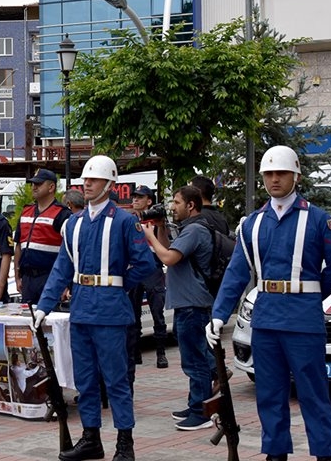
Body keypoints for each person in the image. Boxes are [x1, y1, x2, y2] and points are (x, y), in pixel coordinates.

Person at [207, 145, 331, 461]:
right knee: (269, 395)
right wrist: (219, 314)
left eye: (281, 173)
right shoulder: (253, 224)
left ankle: (324, 454)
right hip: (267, 320)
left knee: (314, 394)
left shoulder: (318, 220)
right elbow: (236, 273)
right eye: (269, 173)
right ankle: (275, 454)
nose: (274, 179)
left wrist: (309, 294)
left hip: (303, 321)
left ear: (296, 176)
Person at [32, 155, 155, 461]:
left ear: (110, 185)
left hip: (111, 311)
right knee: (85, 379)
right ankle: (91, 438)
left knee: (116, 380)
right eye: (85, 180)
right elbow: (62, 267)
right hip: (82, 308)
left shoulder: (125, 221)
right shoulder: (72, 224)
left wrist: (118, 285)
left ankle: (125, 441)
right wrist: (44, 306)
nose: (86, 184)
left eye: (94, 180)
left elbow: (144, 263)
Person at [143, 186, 214, 431]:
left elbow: (168, 258)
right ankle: (196, 403)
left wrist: (149, 235)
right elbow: (170, 249)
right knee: (194, 358)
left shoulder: (194, 230)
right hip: (189, 304)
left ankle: (201, 411)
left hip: (193, 305)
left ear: (190, 205)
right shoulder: (190, 229)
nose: (173, 207)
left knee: (195, 361)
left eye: (176, 202)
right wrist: (161, 228)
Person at [14, 168, 72, 305]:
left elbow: (70, 251)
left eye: (39, 184)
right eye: (33, 184)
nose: (34, 187)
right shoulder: (26, 211)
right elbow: (18, 246)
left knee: (50, 322)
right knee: (28, 322)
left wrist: (66, 283)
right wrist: (17, 276)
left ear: (51, 187)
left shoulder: (63, 214)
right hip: (28, 279)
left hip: (51, 277)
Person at [127, 185, 168, 369]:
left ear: (149, 201)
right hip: (134, 268)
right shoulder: (128, 220)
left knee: (157, 313)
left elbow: (164, 246)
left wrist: (160, 225)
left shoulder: (155, 220)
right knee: (133, 314)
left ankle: (161, 353)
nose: (135, 200)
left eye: (139, 197)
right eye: (134, 197)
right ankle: (135, 353)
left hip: (153, 268)